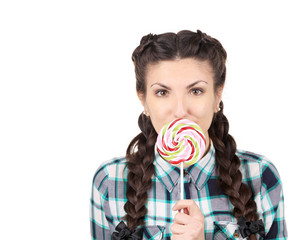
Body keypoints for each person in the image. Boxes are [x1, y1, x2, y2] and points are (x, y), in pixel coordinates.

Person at [90, 30, 287, 240]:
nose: (180, 110)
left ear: (217, 95)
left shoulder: (259, 175)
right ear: (143, 100)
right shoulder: (110, 180)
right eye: (162, 92)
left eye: (195, 91)